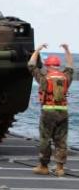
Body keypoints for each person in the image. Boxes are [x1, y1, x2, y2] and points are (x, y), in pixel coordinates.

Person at [28, 43, 73, 176]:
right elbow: (70, 66)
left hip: (48, 111)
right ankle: (60, 168)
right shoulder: (66, 77)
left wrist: (37, 50)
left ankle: (43, 166)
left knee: (45, 139)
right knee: (61, 140)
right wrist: (67, 49)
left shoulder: (44, 78)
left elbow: (31, 64)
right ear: (58, 66)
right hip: (63, 111)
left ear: (47, 66)